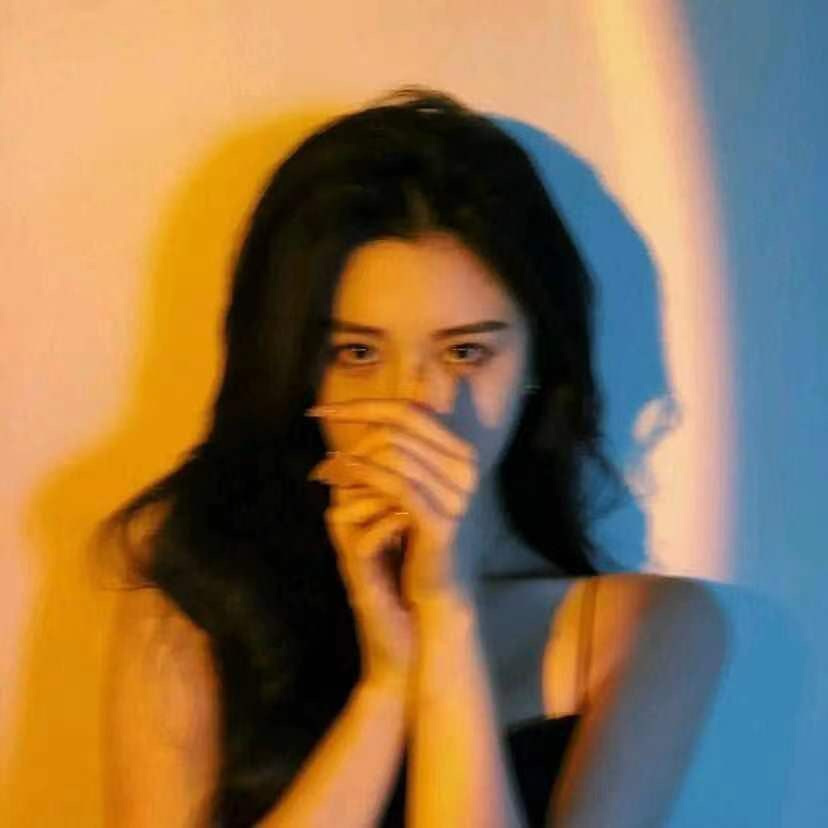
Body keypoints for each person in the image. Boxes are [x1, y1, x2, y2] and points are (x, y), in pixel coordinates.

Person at [96, 85, 727, 827]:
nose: (412, 407)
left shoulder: (650, 628)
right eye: (359, 354)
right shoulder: (198, 592)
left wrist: (447, 618)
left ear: (537, 362)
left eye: (465, 353)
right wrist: (387, 687)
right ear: (299, 369)